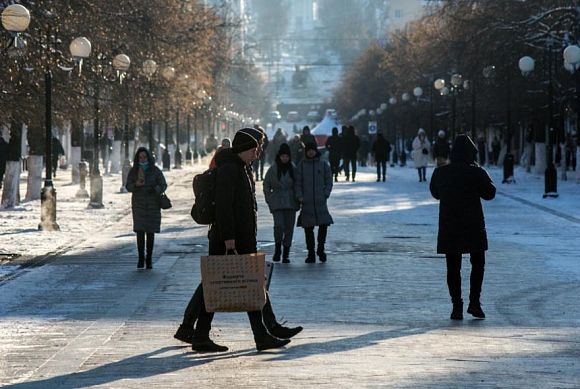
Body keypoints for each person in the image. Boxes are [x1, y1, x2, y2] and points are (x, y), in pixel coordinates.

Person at [175, 128, 302, 352]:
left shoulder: (241, 168)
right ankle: (259, 334)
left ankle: (205, 334)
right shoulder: (230, 170)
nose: (258, 152)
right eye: (254, 149)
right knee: (234, 284)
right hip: (230, 240)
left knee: (235, 284)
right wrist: (229, 238)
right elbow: (224, 208)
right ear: (244, 150)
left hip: (241, 237)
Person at [429, 134, 496, 320]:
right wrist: (480, 172)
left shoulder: (441, 172)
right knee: (478, 263)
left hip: (450, 225)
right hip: (473, 225)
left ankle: (456, 306)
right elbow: (490, 193)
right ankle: (474, 302)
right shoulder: (476, 172)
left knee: (453, 267)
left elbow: (435, 192)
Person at [125, 147, 167, 269]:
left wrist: (156, 189)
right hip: (139, 205)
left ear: (148, 157)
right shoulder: (134, 171)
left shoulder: (155, 170)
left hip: (153, 205)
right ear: (137, 159)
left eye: (144, 157)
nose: (142, 159)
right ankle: (140, 258)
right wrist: (135, 185)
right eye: (140, 157)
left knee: (150, 232)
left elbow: (163, 184)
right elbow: (128, 186)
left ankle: (149, 259)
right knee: (139, 232)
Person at [296, 142, 333, 263]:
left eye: (312, 150)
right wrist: (300, 196)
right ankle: (311, 252)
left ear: (315, 151)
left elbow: (329, 180)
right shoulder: (301, 165)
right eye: (308, 150)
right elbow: (298, 182)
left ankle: (321, 249)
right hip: (306, 202)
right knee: (308, 228)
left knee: (323, 225)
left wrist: (326, 193)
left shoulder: (323, 164)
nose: (310, 152)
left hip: (320, 201)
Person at [263, 143, 299, 263]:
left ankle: (286, 253)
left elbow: (298, 184)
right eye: (283, 156)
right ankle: (278, 249)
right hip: (277, 202)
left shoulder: (293, 168)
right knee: (279, 226)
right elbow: (266, 183)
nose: (285, 158)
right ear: (279, 156)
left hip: (290, 202)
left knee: (289, 228)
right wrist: (269, 198)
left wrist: (298, 197)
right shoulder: (273, 168)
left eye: (287, 156)